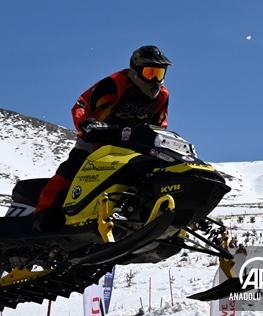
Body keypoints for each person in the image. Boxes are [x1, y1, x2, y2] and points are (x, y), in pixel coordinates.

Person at [32, 45, 172, 232]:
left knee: (149, 170)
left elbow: (160, 123)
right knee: (71, 170)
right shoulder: (115, 83)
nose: (155, 79)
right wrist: (86, 123)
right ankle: (42, 214)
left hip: (133, 145)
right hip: (97, 139)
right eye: (150, 72)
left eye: (160, 73)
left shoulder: (162, 95)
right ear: (136, 69)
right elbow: (83, 103)